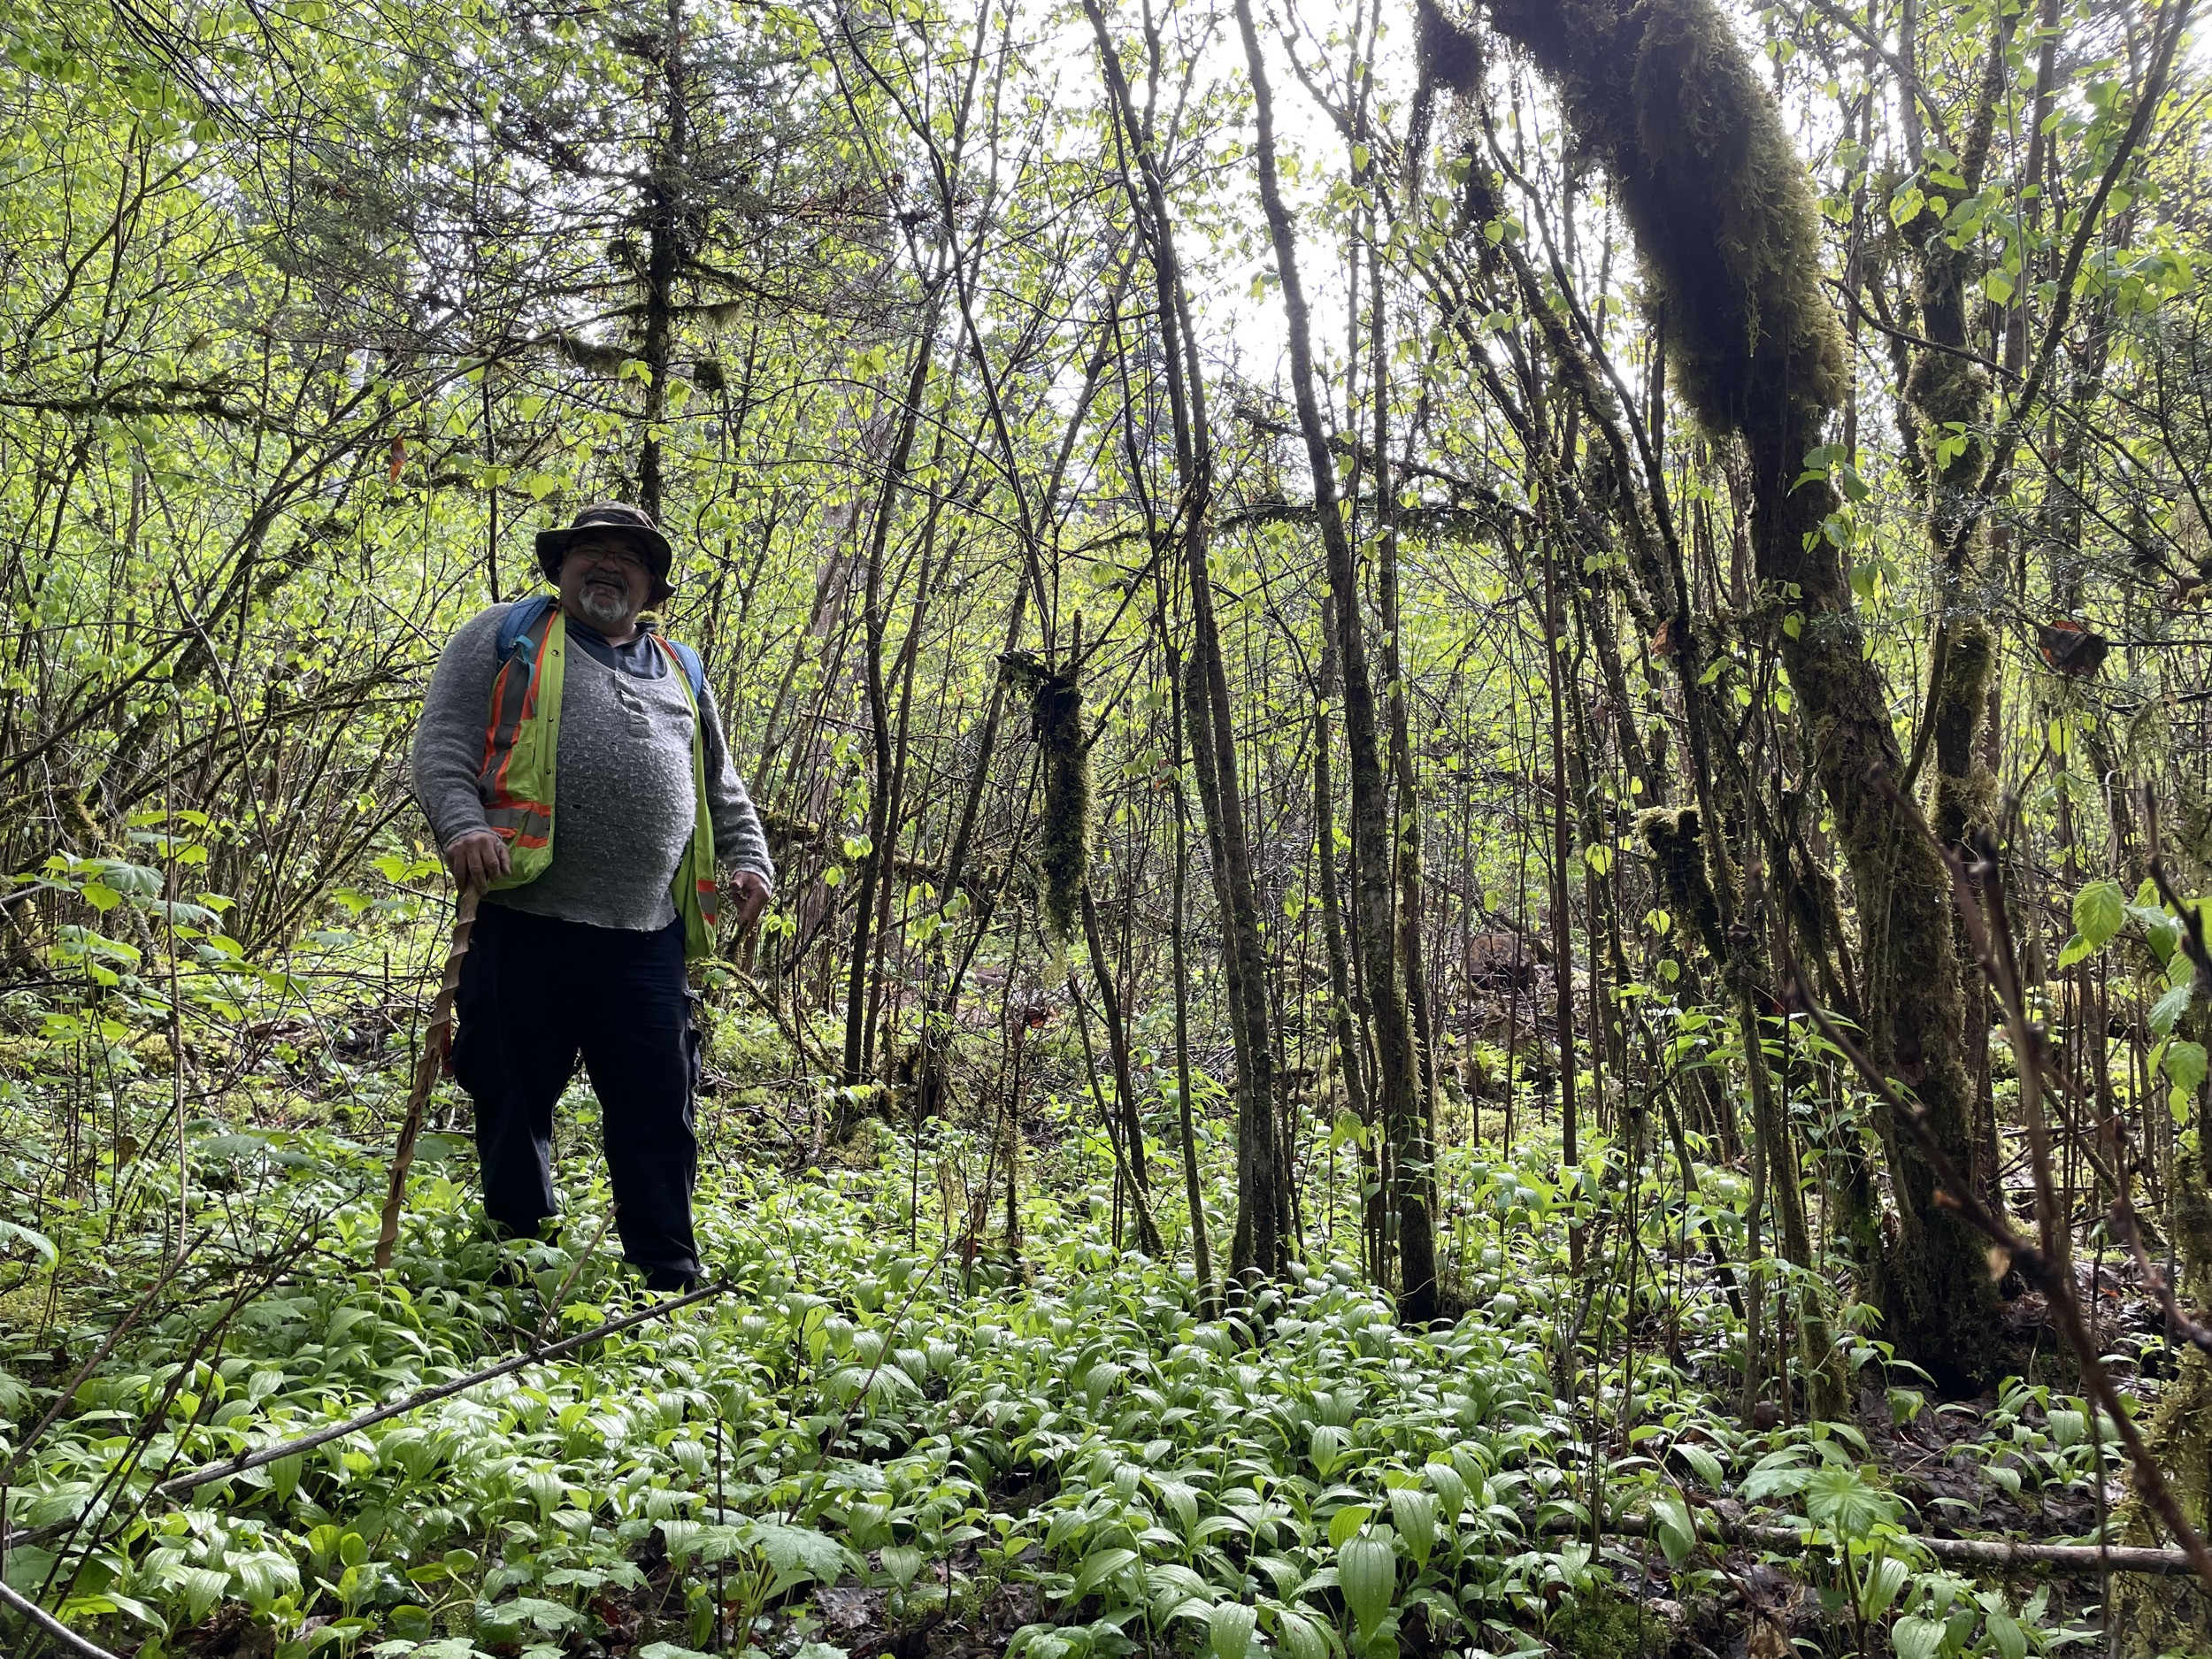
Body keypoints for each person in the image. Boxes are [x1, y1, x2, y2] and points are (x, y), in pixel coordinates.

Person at [411, 503, 774, 1291]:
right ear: (561, 566)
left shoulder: (682, 667)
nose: (609, 567)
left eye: (630, 560)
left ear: (650, 584)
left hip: (646, 934)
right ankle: (520, 1257)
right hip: (521, 918)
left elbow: (720, 784)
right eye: (592, 553)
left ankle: (667, 1276)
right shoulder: (503, 636)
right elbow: (441, 741)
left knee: (658, 1108)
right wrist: (462, 827)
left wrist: (750, 860)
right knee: (511, 1094)